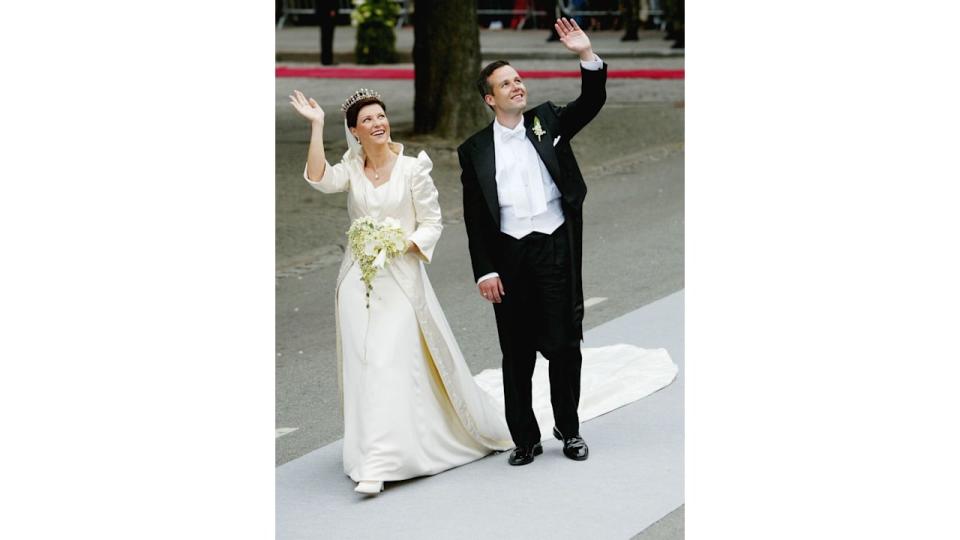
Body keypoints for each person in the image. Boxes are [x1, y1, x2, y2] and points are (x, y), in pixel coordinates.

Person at [288, 79, 676, 494]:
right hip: (359, 278)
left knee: (401, 360)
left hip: (414, 274)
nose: (379, 123)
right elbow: (320, 178)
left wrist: (402, 243)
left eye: (381, 115)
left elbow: (433, 222)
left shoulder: (415, 166)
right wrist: (315, 126)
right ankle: (381, 452)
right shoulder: (362, 166)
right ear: (355, 130)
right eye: (368, 120)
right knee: (373, 364)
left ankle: (563, 430)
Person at [457, 18, 606, 466]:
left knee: (564, 345)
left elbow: (592, 101)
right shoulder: (475, 150)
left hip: (555, 245)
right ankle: (525, 437)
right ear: (490, 98)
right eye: (506, 83)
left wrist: (585, 56)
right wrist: (485, 269)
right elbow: (475, 217)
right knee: (516, 353)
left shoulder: (547, 121)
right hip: (510, 253)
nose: (517, 87)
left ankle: (570, 428)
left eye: (518, 79)